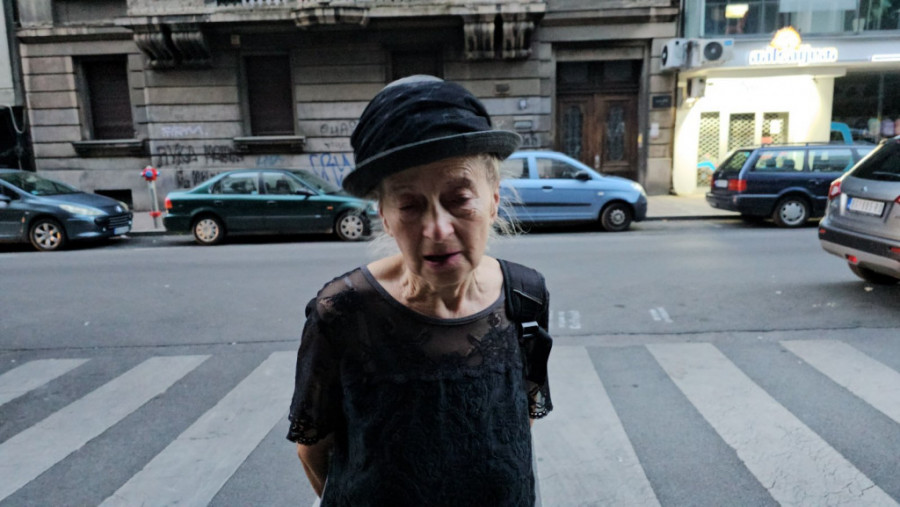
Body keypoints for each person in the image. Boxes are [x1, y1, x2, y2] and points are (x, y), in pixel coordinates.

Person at [286, 75, 553, 506]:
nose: (437, 229)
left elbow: (519, 418)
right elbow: (313, 451)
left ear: (493, 200)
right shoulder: (343, 313)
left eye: (459, 198)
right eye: (409, 205)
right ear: (385, 217)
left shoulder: (526, 296)